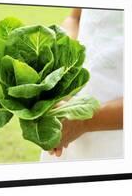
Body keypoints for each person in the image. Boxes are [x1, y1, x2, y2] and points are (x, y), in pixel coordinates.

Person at [41, 8, 124, 161]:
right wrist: (62, 61)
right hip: (66, 121)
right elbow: (74, 18)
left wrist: (84, 121)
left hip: (122, 140)